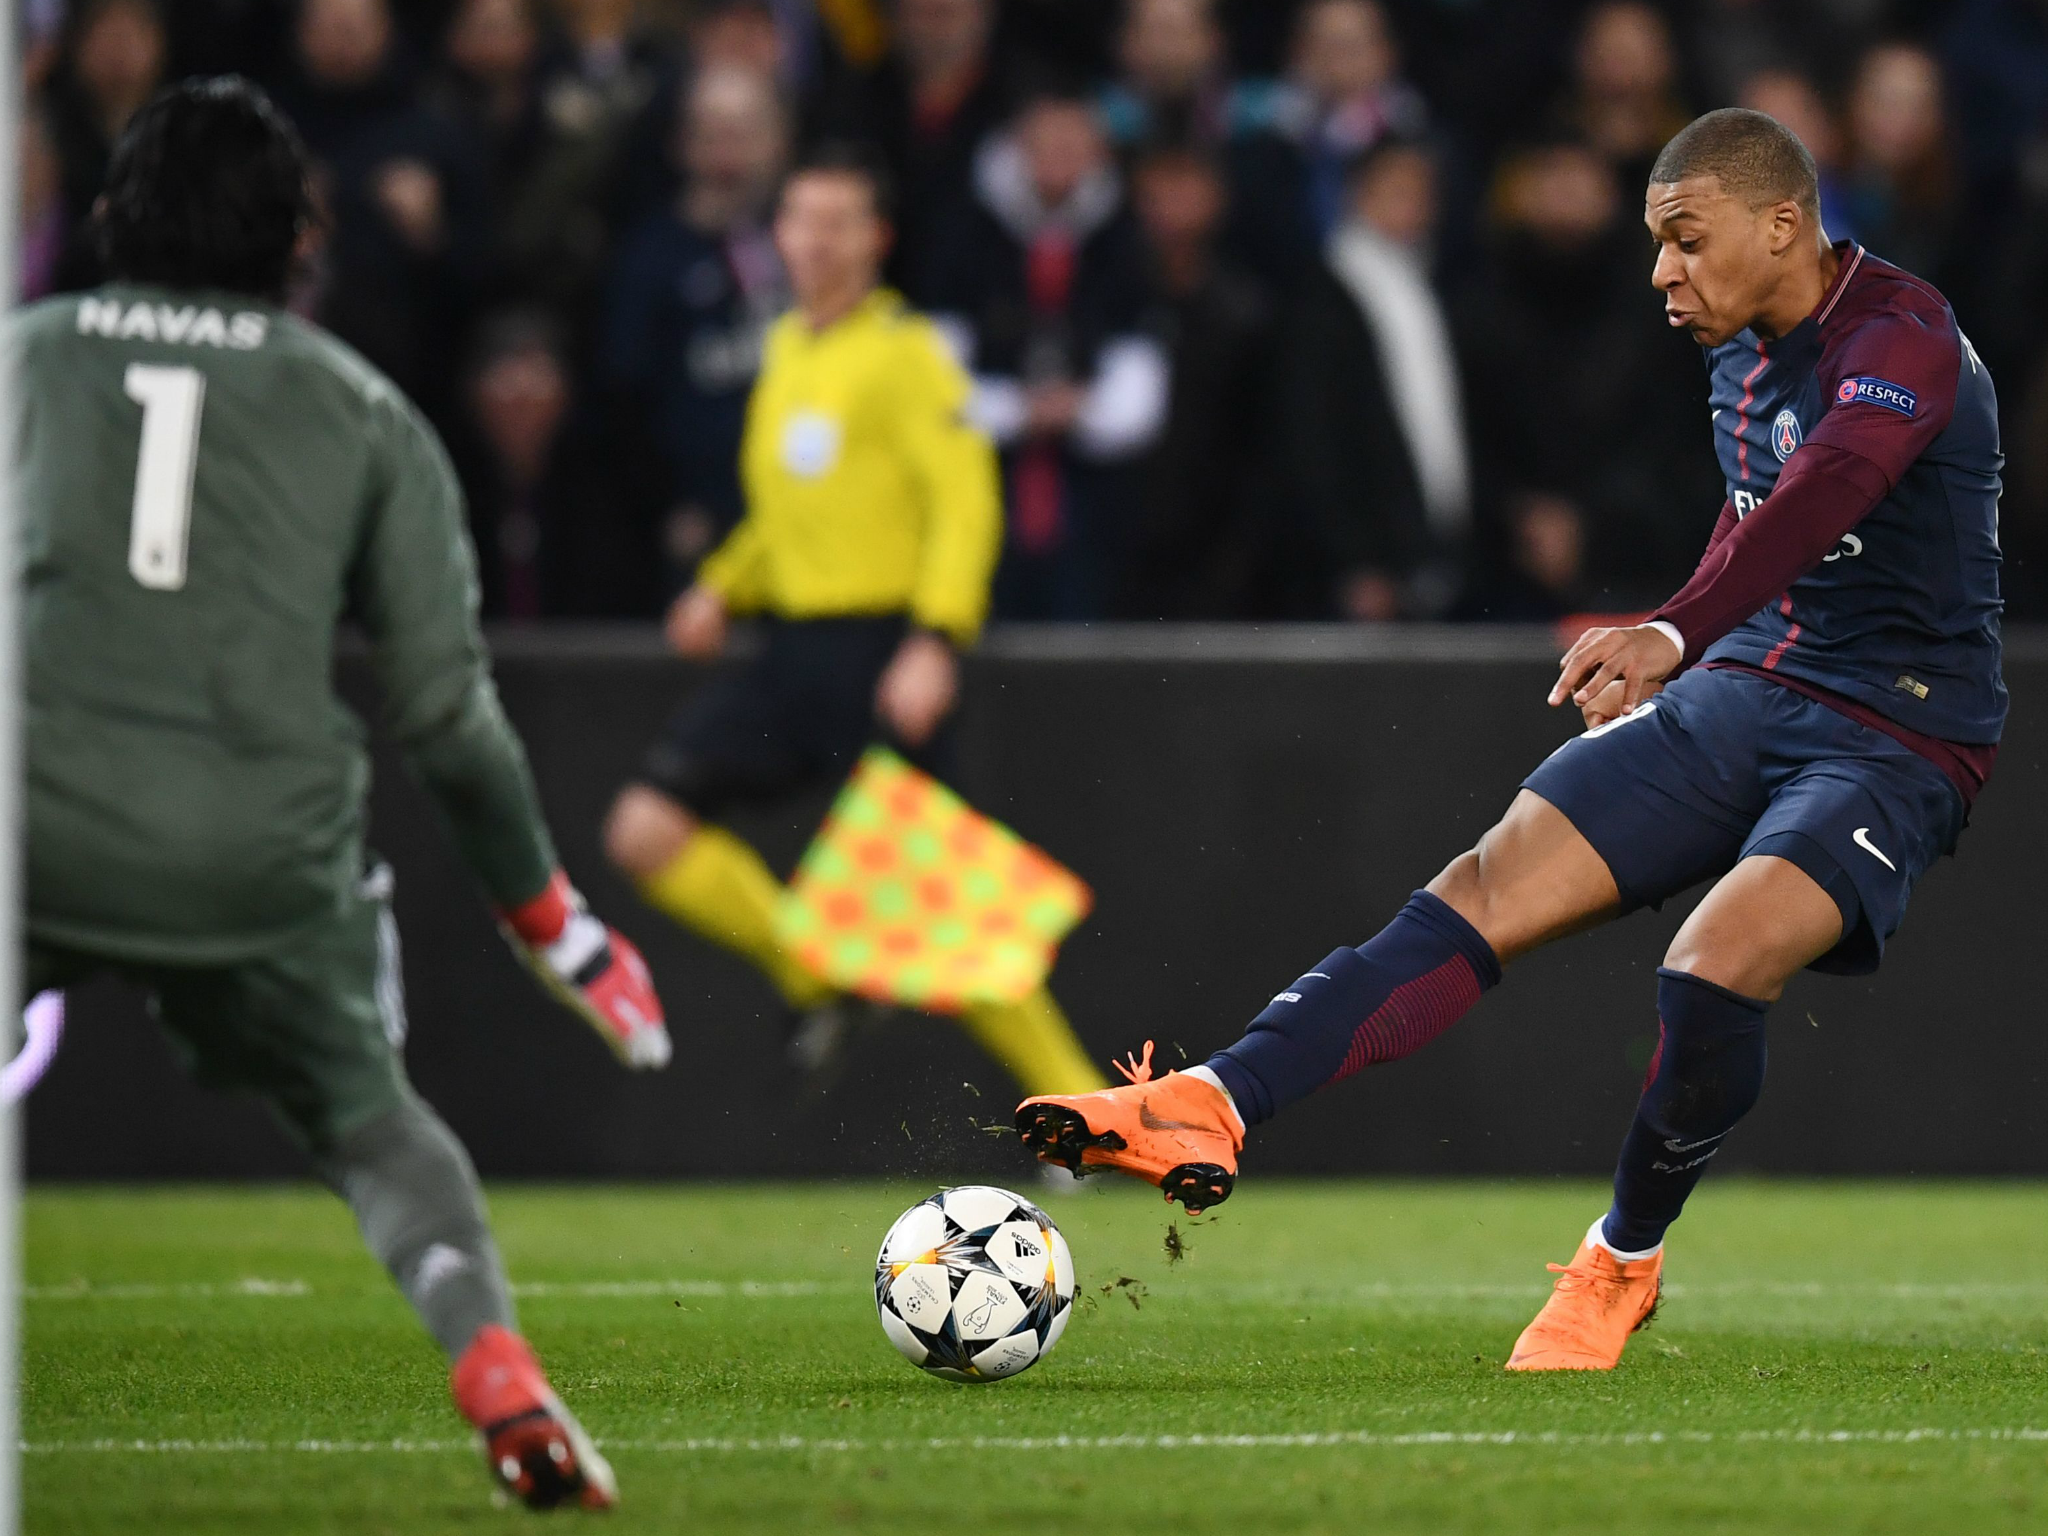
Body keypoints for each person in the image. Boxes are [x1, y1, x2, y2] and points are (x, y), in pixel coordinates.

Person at [1016, 108, 2003, 1373]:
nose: (1660, 273)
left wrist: (1669, 627)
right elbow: (1751, 519)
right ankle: (1207, 1102)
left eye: (1685, 242)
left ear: (1782, 224)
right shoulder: (1733, 357)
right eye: (1656, 246)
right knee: (1478, 886)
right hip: (1753, 685)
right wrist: (1687, 637)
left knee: (1712, 963)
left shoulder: (1902, 339)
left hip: (1897, 734)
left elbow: (1827, 492)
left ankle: (1620, 1263)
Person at [17, 79, 670, 1508]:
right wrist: (556, 925)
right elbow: (447, 717)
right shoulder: (370, 418)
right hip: (255, 847)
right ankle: (491, 1356)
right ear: (303, 241)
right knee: (373, 1128)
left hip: (28, 816)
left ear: (115, 215)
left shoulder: (22, 359)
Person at [601, 144, 1105, 1100]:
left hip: (880, 654)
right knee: (645, 828)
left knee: (942, 912)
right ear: (778, 232)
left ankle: (1086, 1113)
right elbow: (793, 508)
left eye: (840, 221)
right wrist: (722, 585)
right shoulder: (790, 346)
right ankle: (820, 979)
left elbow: (965, 502)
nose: (817, 241)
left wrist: (935, 639)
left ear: (877, 238)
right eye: (802, 219)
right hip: (791, 654)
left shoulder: (909, 356)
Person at [920, 85, 1167, 619]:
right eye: (1044, 145)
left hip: (1092, 493)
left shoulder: (1122, 240)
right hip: (982, 481)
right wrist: (1016, 410)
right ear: (1016, 148)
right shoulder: (965, 233)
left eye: (1074, 147)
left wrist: (1081, 410)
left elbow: (1141, 388)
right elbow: (932, 379)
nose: (1059, 161)